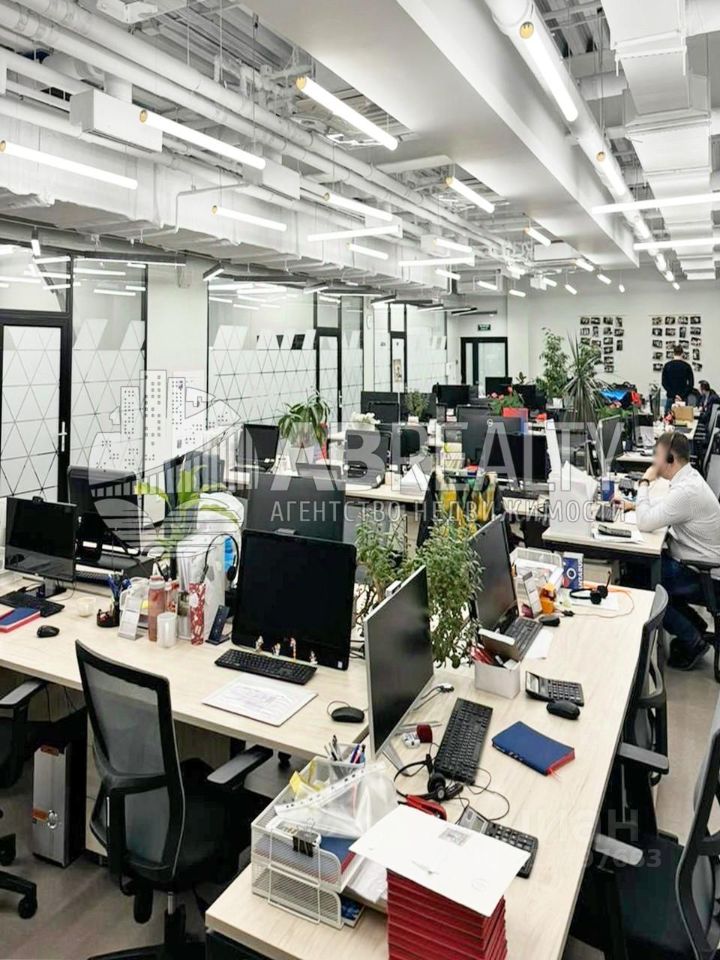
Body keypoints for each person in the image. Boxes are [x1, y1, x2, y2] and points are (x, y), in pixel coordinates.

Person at [620, 432, 720, 669]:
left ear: (670, 458)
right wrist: (635, 505)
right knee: (641, 567)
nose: (654, 461)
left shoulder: (687, 491)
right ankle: (694, 626)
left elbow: (645, 522)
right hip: (700, 565)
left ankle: (692, 640)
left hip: (706, 576)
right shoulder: (689, 479)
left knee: (639, 580)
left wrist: (644, 483)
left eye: (657, 455)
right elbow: (669, 507)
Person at [662, 345, 694, 414]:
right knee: (683, 418)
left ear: (673, 353)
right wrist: (682, 395)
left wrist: (674, 395)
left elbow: (664, 383)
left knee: (668, 418)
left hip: (670, 397)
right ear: (682, 354)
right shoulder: (687, 366)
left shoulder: (667, 366)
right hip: (683, 398)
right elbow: (691, 384)